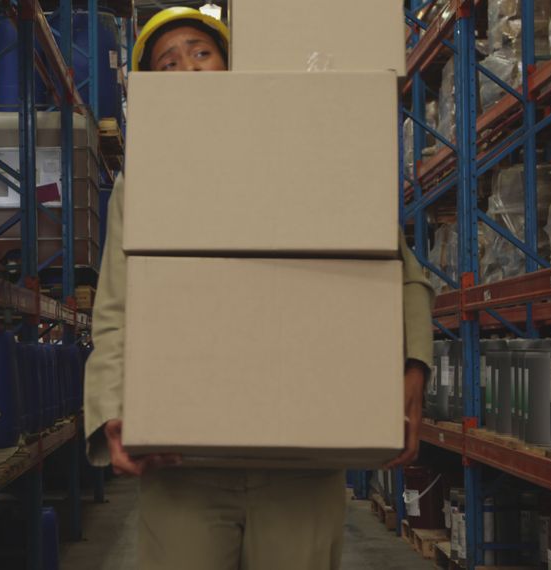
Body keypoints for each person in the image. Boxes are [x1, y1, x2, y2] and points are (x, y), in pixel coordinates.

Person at [83, 8, 434, 569]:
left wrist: (414, 364)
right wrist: (111, 409)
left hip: (302, 463)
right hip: (184, 467)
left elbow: (394, 265)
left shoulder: (312, 156)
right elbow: (116, 305)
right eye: (167, 63)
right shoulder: (142, 181)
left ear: (232, 68)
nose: (189, 70)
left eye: (202, 52)